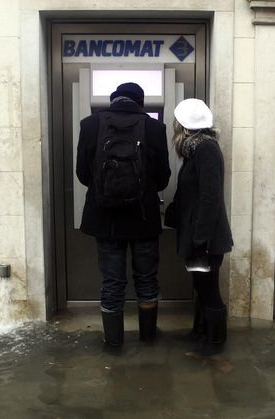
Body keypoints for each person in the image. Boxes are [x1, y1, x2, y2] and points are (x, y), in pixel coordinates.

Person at [76, 82, 170, 349]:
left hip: (105, 219)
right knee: (146, 278)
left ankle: (114, 341)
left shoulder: (89, 125)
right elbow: (162, 179)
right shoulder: (154, 128)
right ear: (140, 103)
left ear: (113, 99)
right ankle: (148, 337)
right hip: (143, 218)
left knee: (112, 280)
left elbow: (83, 174)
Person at [166, 98, 233, 356]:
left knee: (209, 288)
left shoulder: (206, 149)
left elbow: (210, 197)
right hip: (198, 234)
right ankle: (200, 333)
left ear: (183, 126)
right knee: (201, 285)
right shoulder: (196, 149)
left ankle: (214, 343)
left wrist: (200, 238)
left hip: (206, 237)